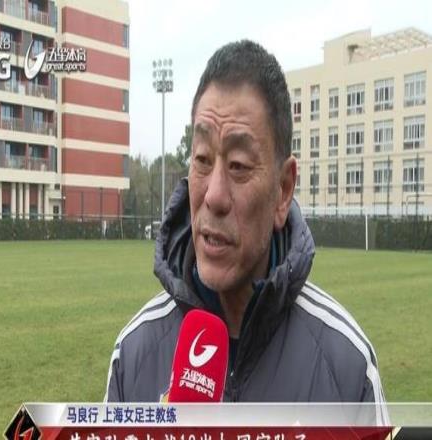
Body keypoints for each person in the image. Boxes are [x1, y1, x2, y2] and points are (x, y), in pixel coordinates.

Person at [105, 40, 389, 425]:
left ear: (283, 190)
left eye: (238, 165)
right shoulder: (134, 354)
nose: (214, 196)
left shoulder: (347, 364)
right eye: (202, 159)